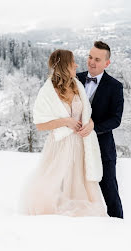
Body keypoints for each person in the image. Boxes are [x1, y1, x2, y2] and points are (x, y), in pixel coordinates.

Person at [19, 49, 107, 217]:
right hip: (60, 144)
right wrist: (66, 122)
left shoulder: (77, 85)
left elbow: (87, 114)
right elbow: (40, 124)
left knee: (78, 181)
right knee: (56, 179)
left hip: (80, 144)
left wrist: (90, 124)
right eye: (73, 61)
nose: (77, 64)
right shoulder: (48, 91)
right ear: (65, 65)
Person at [76, 41, 124, 218]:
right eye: (90, 57)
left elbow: (116, 119)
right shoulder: (75, 78)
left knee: (110, 191)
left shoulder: (115, 86)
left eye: (97, 59)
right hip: (74, 145)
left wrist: (94, 126)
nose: (91, 62)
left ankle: (120, 228)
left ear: (107, 63)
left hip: (102, 148)